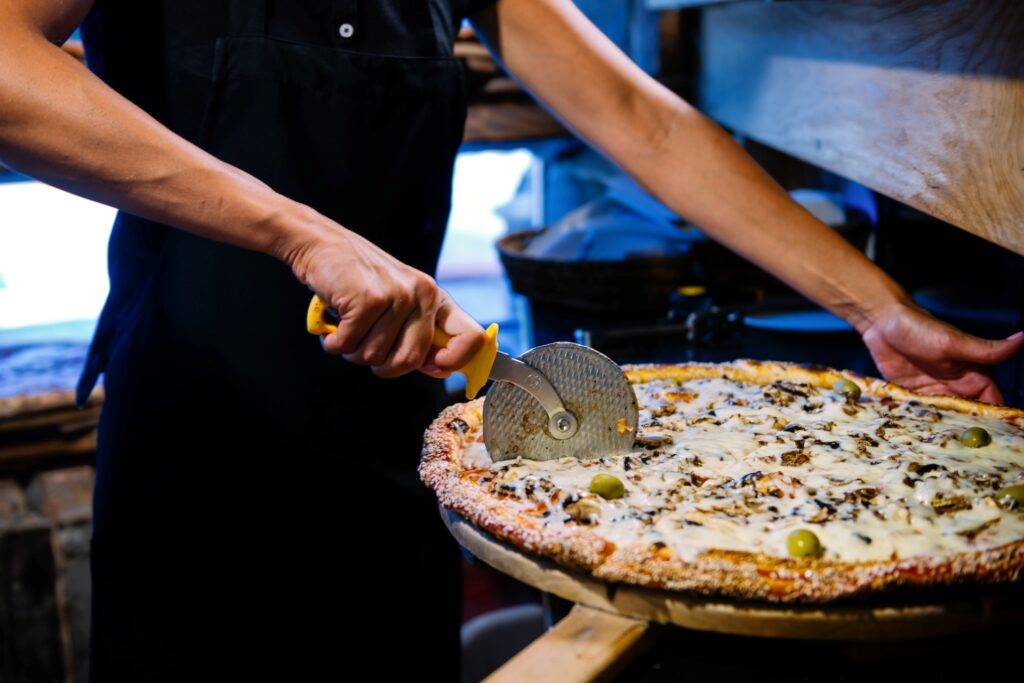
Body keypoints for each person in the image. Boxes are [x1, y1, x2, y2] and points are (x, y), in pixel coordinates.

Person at [0, 0, 1019, 680]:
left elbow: (637, 114)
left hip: (403, 437)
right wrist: (299, 230)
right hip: (199, 441)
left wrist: (873, 307)